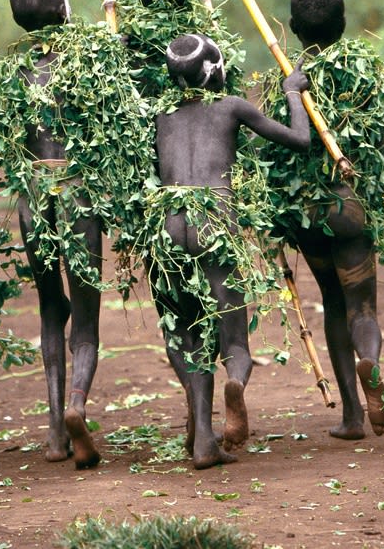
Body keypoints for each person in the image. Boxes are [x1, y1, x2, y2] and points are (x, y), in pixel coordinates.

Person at [0, 0, 147, 469]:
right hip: (77, 193)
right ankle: (78, 404)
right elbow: (122, 120)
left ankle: (55, 433)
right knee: (86, 316)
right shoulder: (91, 60)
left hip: (35, 194)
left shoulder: (11, 74)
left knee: (51, 310)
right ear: (61, 15)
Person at [149, 33, 309, 469]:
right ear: (216, 71)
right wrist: (292, 92)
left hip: (167, 222)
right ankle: (235, 382)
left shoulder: (160, 116)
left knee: (186, 333)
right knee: (232, 337)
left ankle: (204, 439)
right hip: (214, 219)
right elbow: (301, 139)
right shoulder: (232, 107)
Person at [264, 0, 384, 442]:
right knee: (362, 308)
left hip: (307, 217)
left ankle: (351, 418)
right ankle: (371, 363)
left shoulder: (281, 80)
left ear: (295, 28)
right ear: (343, 24)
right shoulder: (365, 75)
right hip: (350, 211)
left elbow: (270, 153)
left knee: (331, 304)